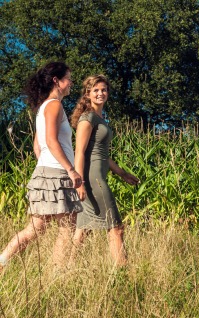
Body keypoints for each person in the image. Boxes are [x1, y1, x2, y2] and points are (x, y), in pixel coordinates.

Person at [0, 61, 83, 273]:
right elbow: (51, 141)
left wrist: (46, 167)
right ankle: (56, 273)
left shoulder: (43, 107)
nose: (71, 83)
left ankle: (2, 261)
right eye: (69, 78)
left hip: (46, 172)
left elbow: (38, 145)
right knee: (67, 228)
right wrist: (70, 169)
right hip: (58, 173)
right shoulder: (54, 105)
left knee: (36, 228)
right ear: (57, 80)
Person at [70, 75, 138, 267]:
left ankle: (66, 271)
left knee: (83, 229)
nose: (101, 93)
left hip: (97, 176)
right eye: (96, 90)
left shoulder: (100, 118)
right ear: (88, 93)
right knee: (116, 228)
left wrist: (122, 173)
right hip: (92, 180)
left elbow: (103, 155)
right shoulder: (88, 118)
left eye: (104, 90)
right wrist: (80, 182)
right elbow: (80, 152)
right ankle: (123, 272)